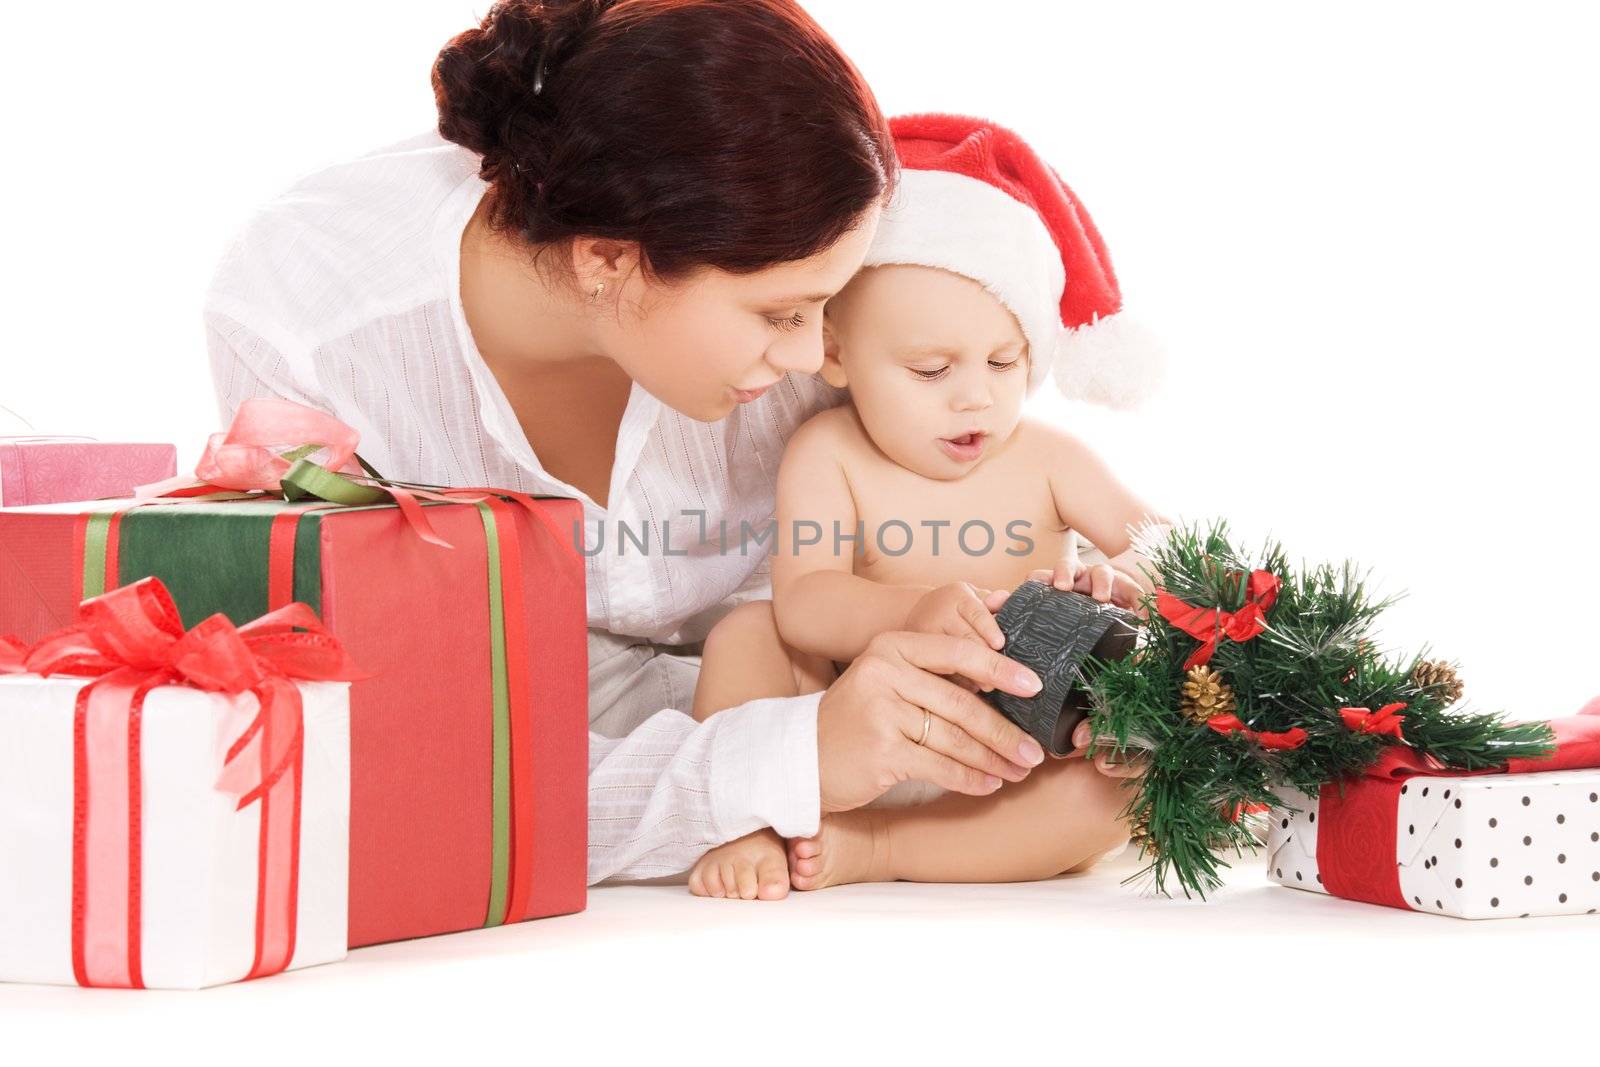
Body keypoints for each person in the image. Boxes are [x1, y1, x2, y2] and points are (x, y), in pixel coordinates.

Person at [203, 0, 1077, 888]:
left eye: (826, 305)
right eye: (780, 315)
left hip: (819, 721)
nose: (817, 357)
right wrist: (789, 757)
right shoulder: (305, 327)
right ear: (608, 260)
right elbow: (411, 764)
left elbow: (957, 486)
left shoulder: (798, 246)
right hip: (636, 752)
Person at [686, 115, 1169, 898]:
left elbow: (1178, 552)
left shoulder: (1048, 459)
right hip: (853, 735)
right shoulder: (828, 452)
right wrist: (912, 613)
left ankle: (879, 845)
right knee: (745, 635)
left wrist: (1124, 579)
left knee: (1117, 786)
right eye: (931, 368)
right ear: (836, 354)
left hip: (1012, 759)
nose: (975, 395)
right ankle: (746, 819)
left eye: (1004, 361)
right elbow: (805, 601)